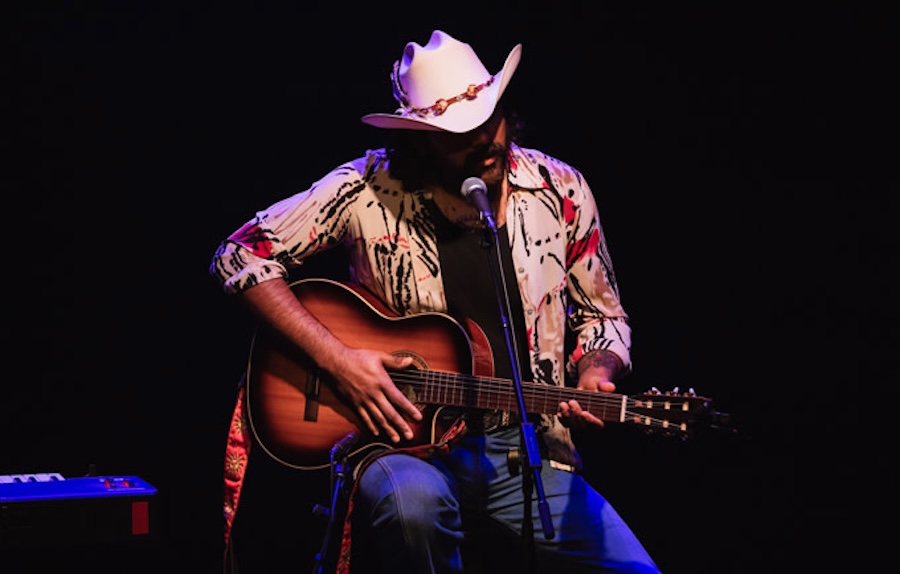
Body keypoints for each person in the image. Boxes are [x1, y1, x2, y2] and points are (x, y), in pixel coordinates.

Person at [210, 29, 660, 574]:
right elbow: (239, 257)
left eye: (488, 120)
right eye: (458, 132)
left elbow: (601, 315)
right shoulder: (366, 187)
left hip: (524, 447)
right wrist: (340, 361)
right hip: (395, 444)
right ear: (420, 140)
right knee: (414, 508)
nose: (485, 140)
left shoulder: (559, 187)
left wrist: (596, 371)